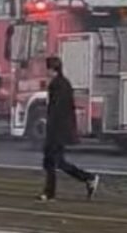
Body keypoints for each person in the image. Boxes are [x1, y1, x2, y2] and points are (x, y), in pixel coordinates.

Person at [38, 56, 99, 202]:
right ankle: (50, 192)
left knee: (55, 161)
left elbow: (56, 111)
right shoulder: (64, 83)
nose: (46, 72)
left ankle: (88, 178)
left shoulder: (57, 85)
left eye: (48, 69)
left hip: (57, 131)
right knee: (51, 161)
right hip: (60, 130)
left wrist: (50, 131)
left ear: (52, 70)